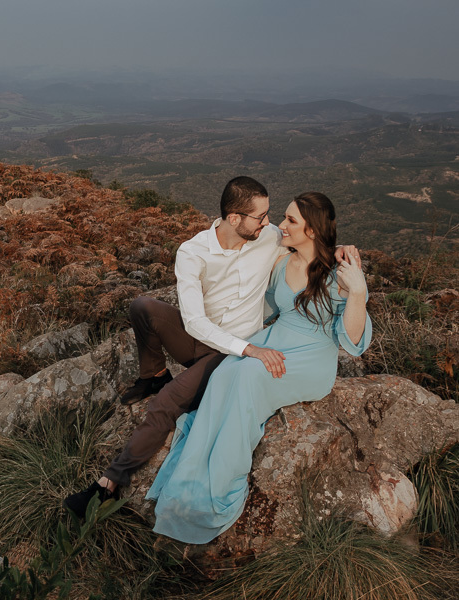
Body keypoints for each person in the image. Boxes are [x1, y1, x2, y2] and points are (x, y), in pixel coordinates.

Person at [63, 177, 358, 518]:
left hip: (230, 354)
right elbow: (194, 323)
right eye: (260, 217)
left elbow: (312, 237)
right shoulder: (194, 251)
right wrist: (250, 350)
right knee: (142, 307)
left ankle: (108, 485)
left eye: (271, 217)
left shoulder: (268, 239)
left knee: (167, 404)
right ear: (235, 219)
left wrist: (342, 249)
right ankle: (153, 374)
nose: (270, 223)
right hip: (206, 339)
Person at [146, 191, 371, 543]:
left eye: (291, 220)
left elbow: (353, 341)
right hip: (276, 339)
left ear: (312, 230)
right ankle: (188, 481)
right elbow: (263, 303)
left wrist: (357, 293)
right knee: (224, 373)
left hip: (311, 357)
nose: (281, 225)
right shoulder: (282, 262)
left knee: (249, 376)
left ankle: (220, 487)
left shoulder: (340, 274)